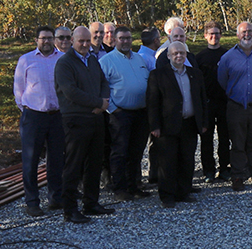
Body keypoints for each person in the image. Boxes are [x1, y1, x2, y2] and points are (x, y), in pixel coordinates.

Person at [52, 27, 115, 224]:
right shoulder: (65, 63)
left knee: (94, 163)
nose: (86, 44)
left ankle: (91, 202)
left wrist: (103, 100)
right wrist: (97, 103)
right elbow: (71, 92)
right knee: (74, 165)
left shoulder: (92, 60)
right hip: (76, 119)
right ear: (72, 40)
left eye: (88, 41)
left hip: (95, 119)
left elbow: (104, 82)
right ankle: (70, 209)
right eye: (82, 41)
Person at [146, 39, 207, 207]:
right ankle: (167, 196)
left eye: (181, 53)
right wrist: (154, 126)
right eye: (175, 53)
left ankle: (183, 192)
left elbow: (202, 100)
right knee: (167, 162)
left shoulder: (195, 74)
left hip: (190, 124)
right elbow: (152, 103)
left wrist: (203, 122)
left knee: (187, 160)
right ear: (168, 56)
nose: (178, 56)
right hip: (167, 126)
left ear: (186, 55)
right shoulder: (158, 75)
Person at [13, 26, 66, 217]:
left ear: (54, 40)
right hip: (34, 116)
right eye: (42, 38)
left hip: (57, 116)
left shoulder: (61, 59)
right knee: (31, 160)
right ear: (36, 40)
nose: (46, 41)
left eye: (49, 38)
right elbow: (18, 90)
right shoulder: (26, 60)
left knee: (56, 160)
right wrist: (28, 109)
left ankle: (55, 198)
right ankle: (32, 202)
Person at [216, 20, 252, 190]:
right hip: (236, 107)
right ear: (237, 35)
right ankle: (237, 176)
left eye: (250, 31)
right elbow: (222, 80)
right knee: (238, 143)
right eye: (243, 32)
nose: (247, 35)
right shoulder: (227, 57)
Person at [98, 26, 152, 203]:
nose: (126, 41)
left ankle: (134, 185)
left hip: (141, 113)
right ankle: (119, 188)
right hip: (120, 114)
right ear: (114, 39)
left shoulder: (139, 58)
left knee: (136, 151)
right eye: (122, 38)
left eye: (128, 38)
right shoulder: (107, 61)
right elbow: (101, 87)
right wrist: (112, 108)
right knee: (119, 152)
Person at [192, 23, 231, 182]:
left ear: (221, 35)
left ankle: (224, 169)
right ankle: (208, 170)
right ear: (205, 36)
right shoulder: (199, 57)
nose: (214, 36)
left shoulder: (227, 55)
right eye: (211, 34)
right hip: (207, 103)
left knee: (224, 138)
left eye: (217, 33)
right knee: (206, 139)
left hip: (224, 102)